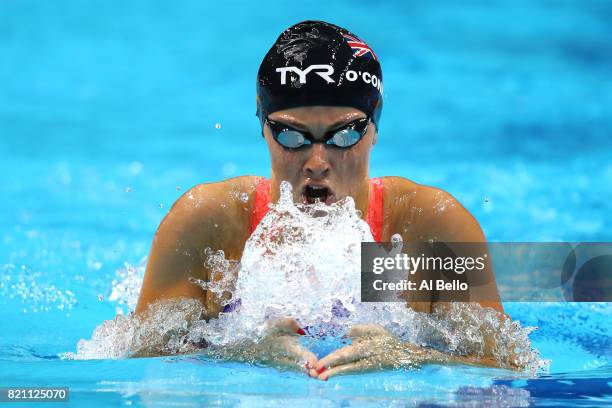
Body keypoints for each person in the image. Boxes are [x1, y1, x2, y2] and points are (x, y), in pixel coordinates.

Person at [135, 21, 505, 379]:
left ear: (374, 128)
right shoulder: (211, 223)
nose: (317, 163)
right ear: (262, 127)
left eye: (343, 136)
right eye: (291, 138)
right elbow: (139, 361)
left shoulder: (424, 229)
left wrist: (409, 358)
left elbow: (506, 368)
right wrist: (243, 355)